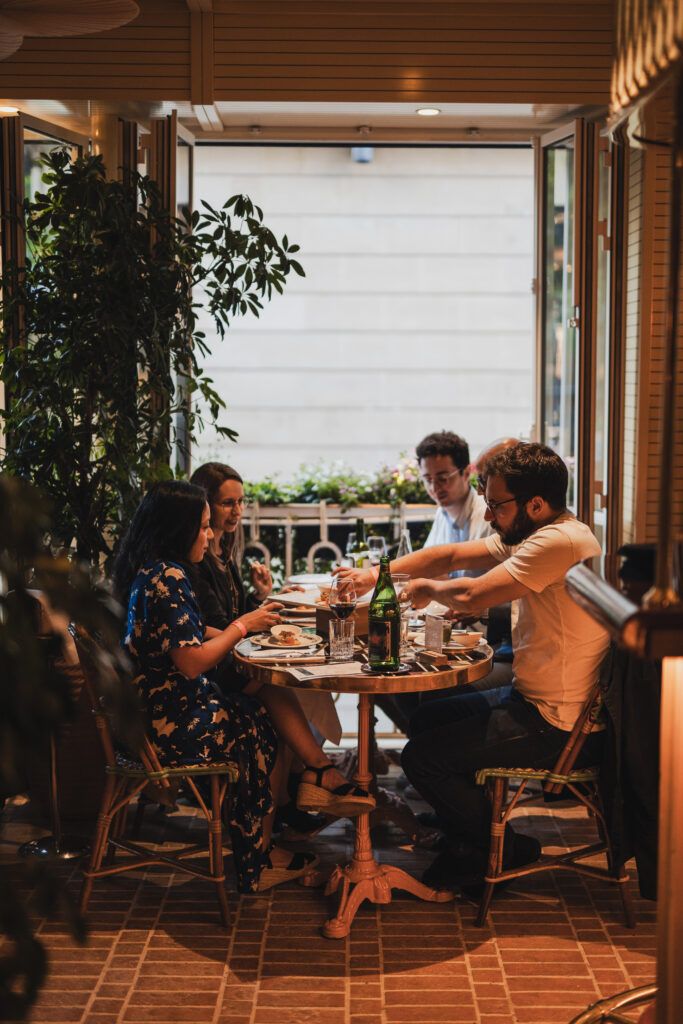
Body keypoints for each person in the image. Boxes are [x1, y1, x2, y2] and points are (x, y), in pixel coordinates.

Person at [336, 442, 610, 891]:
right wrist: (375, 573)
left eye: (496, 505)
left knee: (422, 758)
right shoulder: (539, 531)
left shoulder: (559, 541)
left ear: (535, 504)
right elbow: (449, 557)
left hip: (558, 722)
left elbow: (471, 594)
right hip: (533, 697)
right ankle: (466, 830)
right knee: (427, 718)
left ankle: (502, 846)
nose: (488, 515)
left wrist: (424, 589)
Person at [187, 462, 370, 829]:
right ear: (203, 505)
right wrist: (254, 618)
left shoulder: (221, 552)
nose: (237, 511)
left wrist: (263, 596)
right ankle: (312, 776)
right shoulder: (195, 561)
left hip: (230, 655)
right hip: (215, 668)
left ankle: (304, 781)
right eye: (227, 503)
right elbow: (215, 625)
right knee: (281, 683)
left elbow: (234, 615)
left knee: (291, 680)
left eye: (241, 502)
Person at [416, 431, 490, 574]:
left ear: (466, 473)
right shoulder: (442, 513)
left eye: (443, 478)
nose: (434, 488)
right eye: (427, 479)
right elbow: (426, 566)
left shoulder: (487, 516)